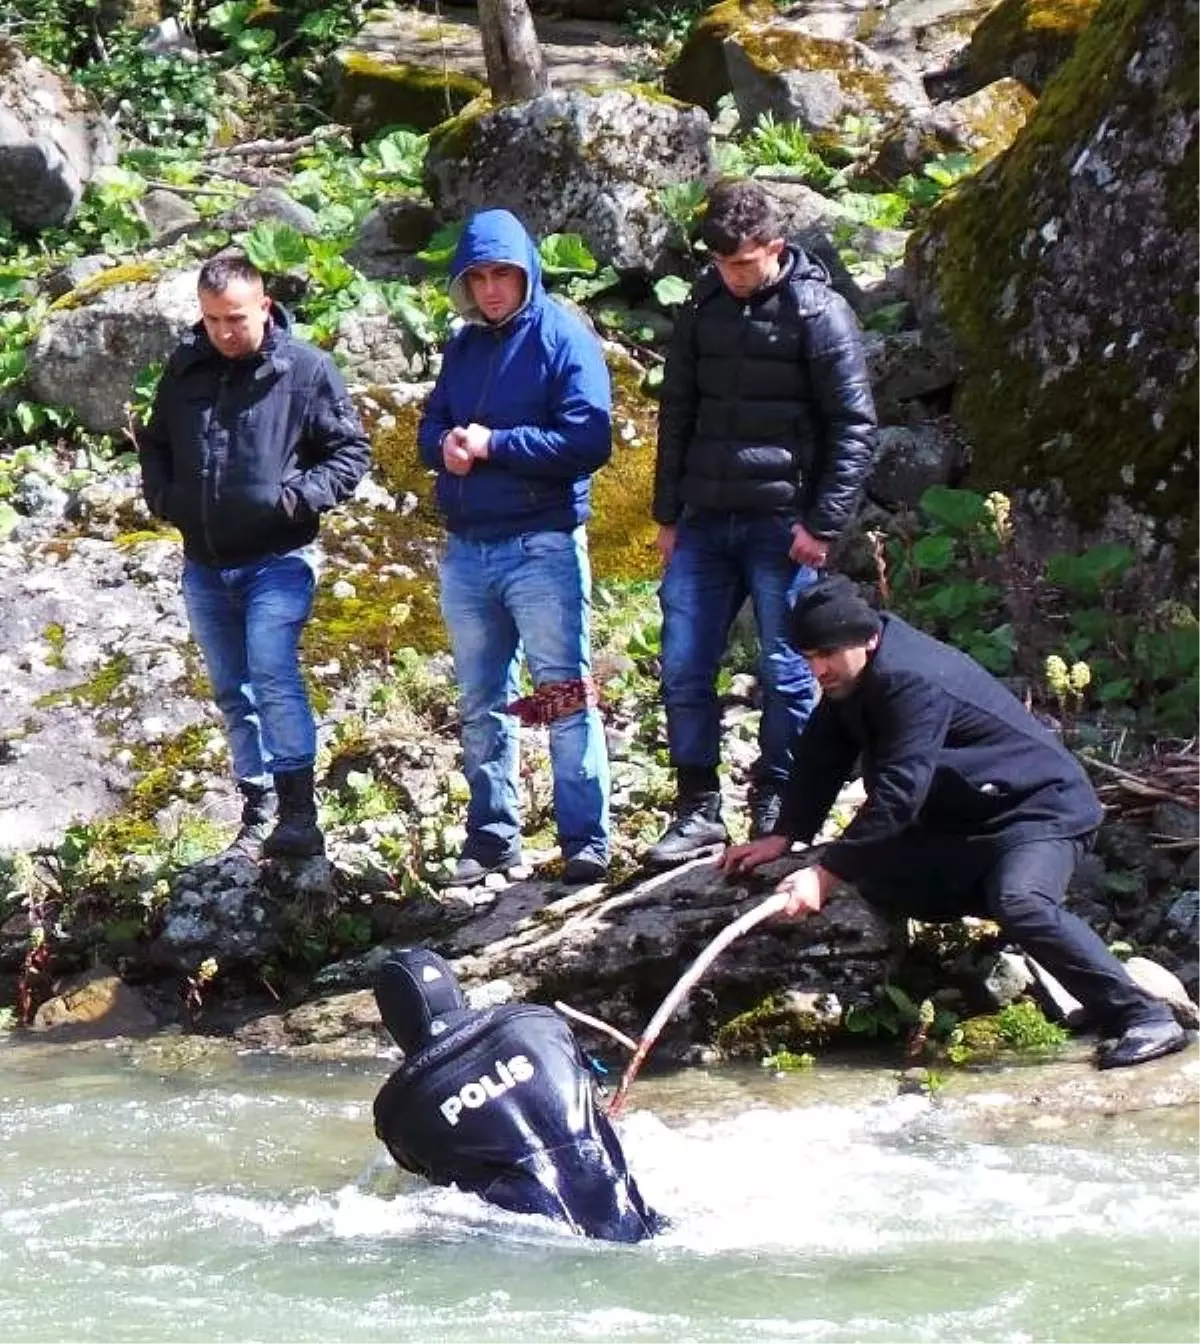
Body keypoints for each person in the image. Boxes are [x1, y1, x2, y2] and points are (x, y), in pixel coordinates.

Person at [722, 574, 1189, 1071]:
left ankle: (1144, 1015)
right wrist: (784, 835)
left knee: (1021, 902)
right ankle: (1001, 919)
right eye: (809, 658)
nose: (819, 670)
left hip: (1040, 811)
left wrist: (822, 873)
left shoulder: (910, 679)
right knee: (878, 879)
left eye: (827, 656)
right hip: (965, 820)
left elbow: (900, 794)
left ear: (869, 639)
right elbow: (824, 752)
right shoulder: (852, 675)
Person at [647, 178, 876, 868]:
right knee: (684, 664)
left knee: (787, 669)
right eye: (722, 264)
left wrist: (824, 525)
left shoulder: (820, 313)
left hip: (784, 524)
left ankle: (777, 802)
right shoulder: (702, 305)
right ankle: (696, 807)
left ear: (775, 248)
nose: (734, 277)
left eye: (744, 264)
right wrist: (666, 514)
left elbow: (855, 426)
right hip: (704, 519)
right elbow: (678, 413)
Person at [138, 250, 370, 859]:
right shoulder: (185, 369)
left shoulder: (307, 370)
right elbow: (155, 442)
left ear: (264, 307)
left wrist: (295, 500)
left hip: (278, 557)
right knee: (231, 688)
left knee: (271, 670)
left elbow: (350, 454)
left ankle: (299, 813)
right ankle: (257, 808)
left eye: (236, 318)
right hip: (205, 562)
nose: (224, 332)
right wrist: (164, 497)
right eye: (212, 320)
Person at [417, 208, 613, 888]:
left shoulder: (564, 338)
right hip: (469, 548)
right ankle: (492, 835)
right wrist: (444, 447)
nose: (493, 289)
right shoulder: (464, 346)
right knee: (480, 701)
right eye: (480, 277)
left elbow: (590, 441)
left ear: (528, 271)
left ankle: (585, 840)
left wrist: (495, 446)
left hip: (542, 544)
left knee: (561, 691)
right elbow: (430, 428)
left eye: (505, 274)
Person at [372, 947, 662, 1242]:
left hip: (545, 1246)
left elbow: (416, 1178)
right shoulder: (538, 1022)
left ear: (393, 1022)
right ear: (455, 991)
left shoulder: (397, 1107)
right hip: (640, 1219)